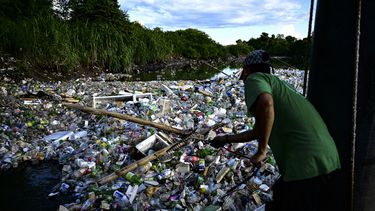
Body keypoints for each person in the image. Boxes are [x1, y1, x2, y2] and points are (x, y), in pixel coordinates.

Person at [211, 49, 341, 211]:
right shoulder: (281, 85)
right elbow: (258, 131)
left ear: (246, 71)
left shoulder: (254, 78)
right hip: (329, 160)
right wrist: (226, 139)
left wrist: (261, 150)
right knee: (282, 194)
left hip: (306, 165)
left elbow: (266, 102)